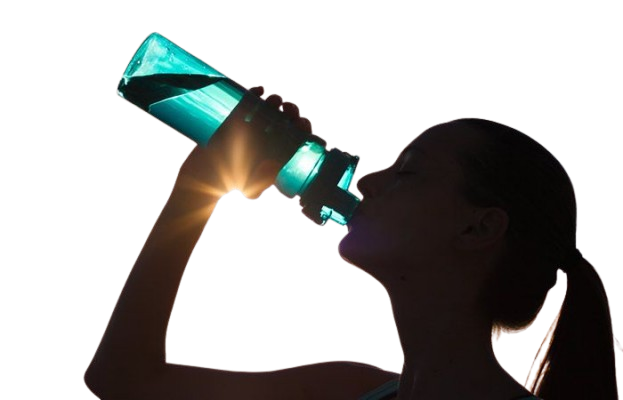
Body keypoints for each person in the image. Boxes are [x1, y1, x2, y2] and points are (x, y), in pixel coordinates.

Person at [84, 88, 619, 399]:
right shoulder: (345, 390)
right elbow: (121, 379)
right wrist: (198, 187)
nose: (368, 181)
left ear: (477, 229)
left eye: (407, 172)